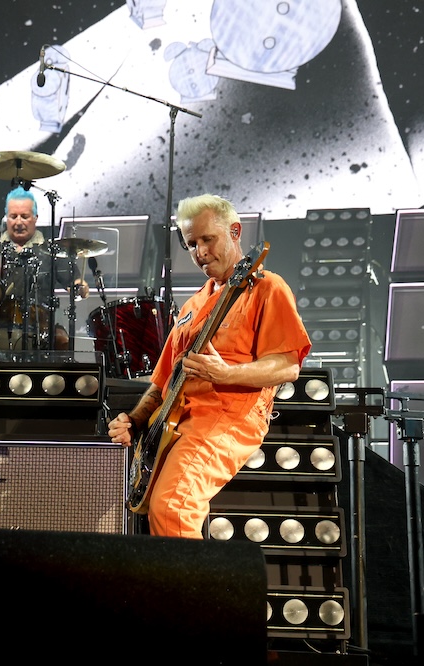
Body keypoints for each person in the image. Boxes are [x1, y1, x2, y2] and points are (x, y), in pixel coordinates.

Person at [107, 193, 311, 538]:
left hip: (228, 419)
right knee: (154, 518)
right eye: (191, 244)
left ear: (235, 231)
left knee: (173, 508)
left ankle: (196, 592)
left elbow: (288, 365)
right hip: (176, 423)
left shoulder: (266, 288)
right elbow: (161, 384)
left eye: (207, 239)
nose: (200, 252)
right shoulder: (192, 305)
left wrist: (227, 373)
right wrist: (134, 420)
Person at [0, 186, 88, 350]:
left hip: (42, 325)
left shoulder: (51, 251)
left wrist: (79, 288)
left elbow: (77, 284)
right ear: (6, 219)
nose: (19, 222)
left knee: (62, 342)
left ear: (35, 218)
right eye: (13, 216)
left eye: (25, 216)